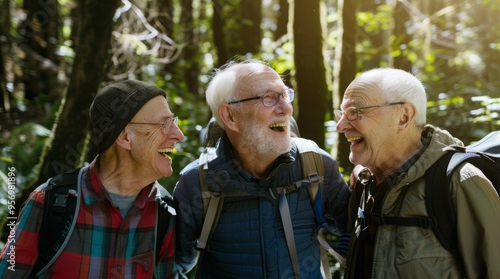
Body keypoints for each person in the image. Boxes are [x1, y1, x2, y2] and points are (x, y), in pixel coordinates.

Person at [173, 59, 351, 278]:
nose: (286, 109)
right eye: (268, 97)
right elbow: (172, 267)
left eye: (285, 95)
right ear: (230, 117)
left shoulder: (316, 166)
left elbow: (357, 237)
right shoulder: (197, 183)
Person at [0, 80, 184, 278]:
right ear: (125, 137)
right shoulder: (49, 204)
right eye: (164, 123)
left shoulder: (164, 212)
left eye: (173, 121)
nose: (178, 135)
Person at [335, 68, 500, 278]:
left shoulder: (459, 183)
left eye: (356, 112)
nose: (341, 125)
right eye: (342, 112)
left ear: (404, 116)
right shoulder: (365, 183)